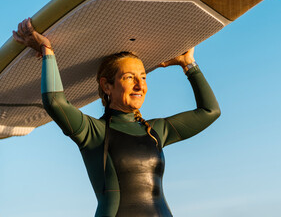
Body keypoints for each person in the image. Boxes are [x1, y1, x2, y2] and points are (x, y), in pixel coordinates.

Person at [13, 18, 220, 217]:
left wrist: (188, 64)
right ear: (106, 86)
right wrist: (46, 50)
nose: (140, 85)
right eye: (129, 77)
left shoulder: (156, 130)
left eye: (143, 77)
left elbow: (210, 111)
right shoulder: (94, 132)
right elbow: (55, 102)